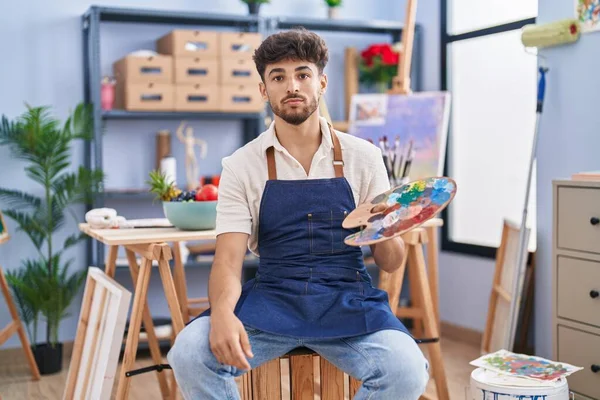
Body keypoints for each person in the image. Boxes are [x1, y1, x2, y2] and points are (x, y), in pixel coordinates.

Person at [167, 27, 429, 400]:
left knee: (407, 371)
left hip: (347, 301)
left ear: (321, 82)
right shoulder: (242, 165)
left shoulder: (363, 157)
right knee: (189, 354)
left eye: (303, 74)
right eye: (278, 77)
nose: (292, 86)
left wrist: (383, 226)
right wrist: (222, 314)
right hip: (272, 301)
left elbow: (391, 262)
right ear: (263, 89)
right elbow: (227, 262)